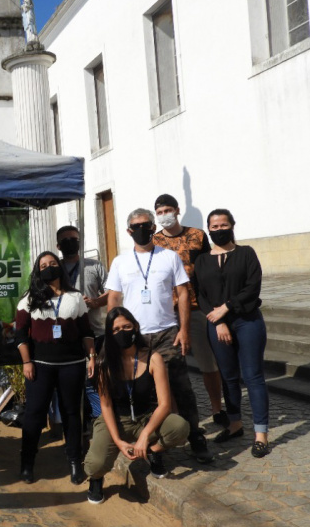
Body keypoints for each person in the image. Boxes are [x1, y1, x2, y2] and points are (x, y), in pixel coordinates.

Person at [106, 208, 213, 464]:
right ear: (129, 231)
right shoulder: (120, 262)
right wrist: (113, 336)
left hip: (166, 333)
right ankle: (153, 443)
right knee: (145, 391)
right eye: (136, 226)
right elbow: (114, 298)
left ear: (153, 227)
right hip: (134, 337)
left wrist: (184, 329)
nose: (142, 229)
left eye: (146, 224)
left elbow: (184, 293)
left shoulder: (169, 257)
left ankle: (195, 436)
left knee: (180, 387)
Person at [83, 307, 190, 504]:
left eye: (126, 326)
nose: (121, 332)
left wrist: (144, 437)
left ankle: (152, 452)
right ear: (109, 333)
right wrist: (118, 441)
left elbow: (165, 404)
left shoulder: (153, 358)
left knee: (180, 426)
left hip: (146, 417)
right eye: (115, 330)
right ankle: (96, 479)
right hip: (117, 419)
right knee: (95, 463)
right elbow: (105, 406)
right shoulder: (104, 363)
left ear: (135, 328)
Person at [193, 209, 270, 458]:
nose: (218, 230)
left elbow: (252, 287)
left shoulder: (246, 253)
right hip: (217, 324)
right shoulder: (202, 260)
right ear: (208, 229)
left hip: (247, 321)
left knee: (253, 376)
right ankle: (235, 423)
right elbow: (200, 294)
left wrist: (225, 309)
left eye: (223, 225)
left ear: (232, 225)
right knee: (228, 376)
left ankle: (261, 434)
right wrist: (217, 321)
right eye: (213, 227)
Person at [16, 251, 95, 485]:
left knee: (72, 414)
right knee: (34, 414)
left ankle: (74, 462)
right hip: (40, 366)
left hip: (72, 365)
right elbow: (20, 334)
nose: (49, 267)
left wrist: (91, 357)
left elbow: (86, 332)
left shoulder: (76, 297)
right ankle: (27, 463)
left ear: (60, 266)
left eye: (52, 263)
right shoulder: (29, 299)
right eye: (43, 265)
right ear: (37, 271)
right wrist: (26, 362)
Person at [152, 194, 226, 427]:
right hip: (167, 310)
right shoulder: (154, 241)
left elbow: (208, 269)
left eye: (168, 210)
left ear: (177, 210)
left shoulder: (197, 235)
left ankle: (216, 408)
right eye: (160, 212)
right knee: (170, 366)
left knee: (208, 363)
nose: (165, 215)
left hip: (196, 307)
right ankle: (173, 414)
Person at [57, 225, 108, 428]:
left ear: (80, 241)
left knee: (95, 379)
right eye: (66, 240)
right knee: (71, 382)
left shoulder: (94, 266)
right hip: (65, 336)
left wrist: (95, 302)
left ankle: (98, 421)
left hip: (95, 331)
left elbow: (112, 292)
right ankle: (75, 422)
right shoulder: (55, 268)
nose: (71, 242)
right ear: (58, 245)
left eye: (74, 238)